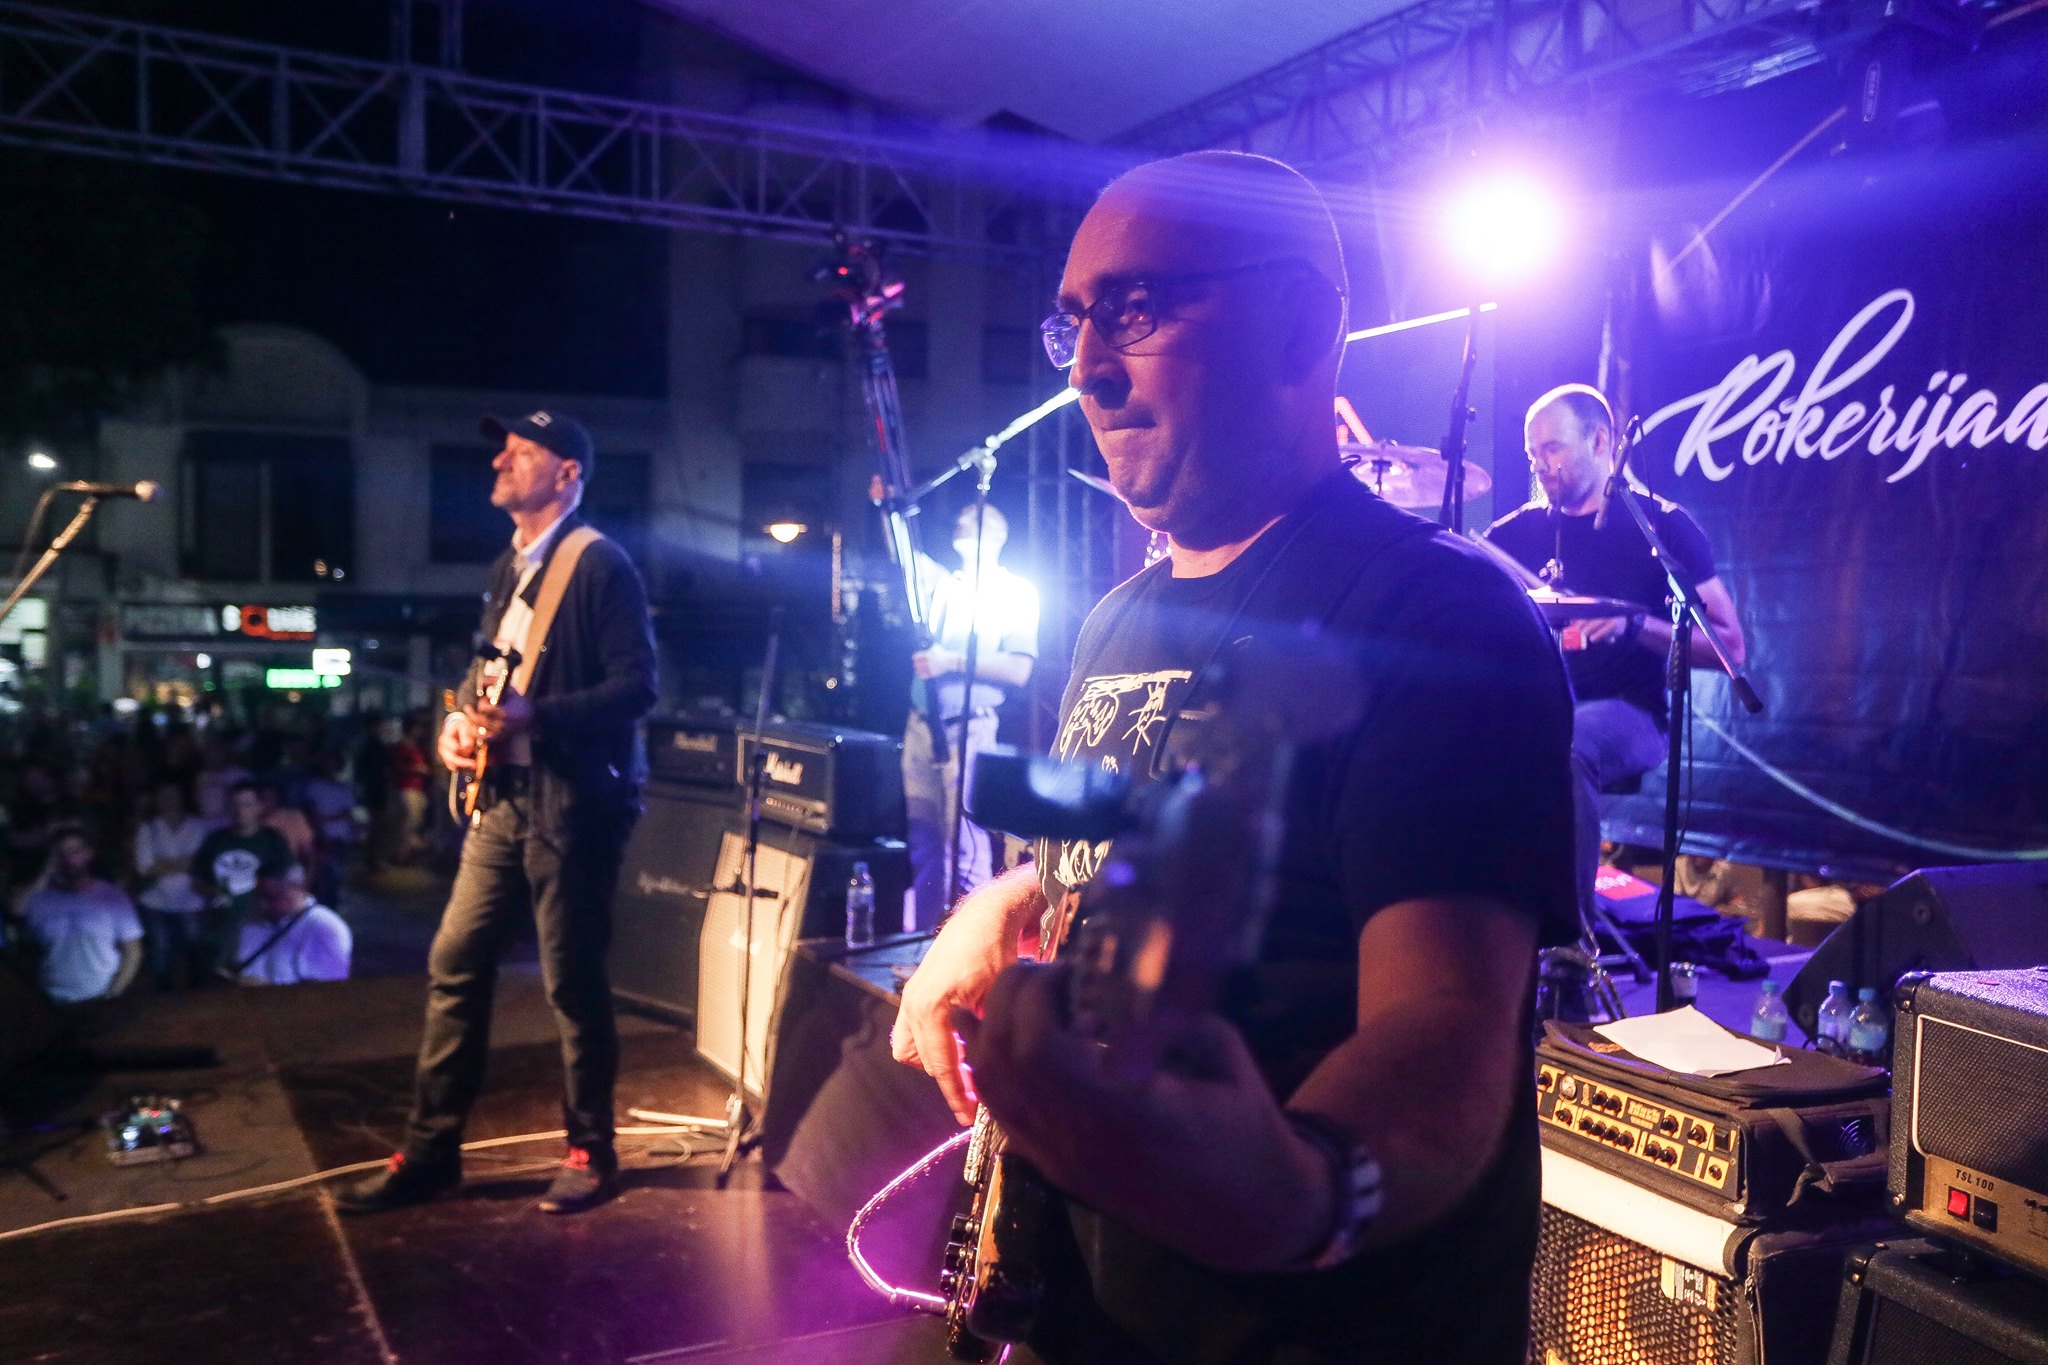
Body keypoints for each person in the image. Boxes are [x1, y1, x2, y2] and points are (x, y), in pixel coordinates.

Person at [891, 152, 1577, 1364]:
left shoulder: (1433, 616)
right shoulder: (1113, 620)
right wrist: (999, 901)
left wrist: (1297, 1195)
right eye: (1072, 321)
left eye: (1135, 309)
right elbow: (1112, 825)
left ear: (1299, 326)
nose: (1086, 367)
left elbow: (1444, 1032)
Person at [336, 408, 656, 1218]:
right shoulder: (508, 566)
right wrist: (458, 718)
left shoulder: (599, 564)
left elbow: (638, 686)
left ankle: (590, 1148)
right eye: (502, 452)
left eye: (522, 452)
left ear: (567, 474)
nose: (499, 463)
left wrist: (535, 717)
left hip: (570, 806)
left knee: (572, 980)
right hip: (503, 800)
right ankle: (431, 1151)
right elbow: (488, 671)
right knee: (455, 961)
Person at [1485, 384, 1746, 927]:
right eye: (1532, 454)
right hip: (1538, 708)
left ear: (1601, 441)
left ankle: (1571, 941)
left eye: (1553, 449)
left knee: (1567, 744)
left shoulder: (1662, 527)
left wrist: (1636, 627)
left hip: (1631, 712)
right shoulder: (1513, 535)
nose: (1540, 466)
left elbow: (1730, 646)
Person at [901, 502, 1040, 930]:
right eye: (960, 520)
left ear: (997, 536)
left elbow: (1019, 669)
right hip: (921, 726)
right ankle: (924, 945)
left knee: (966, 847)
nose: (962, 522)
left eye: (974, 521)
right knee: (926, 845)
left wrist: (950, 662)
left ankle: (965, 946)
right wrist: (888, 504)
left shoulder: (1016, 591)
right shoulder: (946, 584)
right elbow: (903, 551)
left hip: (970, 727)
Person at [21, 826, 144, 1003]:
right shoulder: (39, 897)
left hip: (100, 995)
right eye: (61, 852)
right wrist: (46, 873)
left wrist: (114, 991)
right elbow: (15, 909)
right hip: (51, 996)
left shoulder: (111, 895)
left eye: (75, 850)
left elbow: (133, 950)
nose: (69, 857)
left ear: (88, 854)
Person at [190, 781, 294, 979]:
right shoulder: (215, 840)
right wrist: (214, 893)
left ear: (260, 807)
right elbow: (198, 880)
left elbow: (282, 882)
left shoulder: (273, 840)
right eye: (235, 804)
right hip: (218, 927)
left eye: (247, 804)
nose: (240, 810)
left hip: (257, 928)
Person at [132, 778, 215, 989]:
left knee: (194, 950)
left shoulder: (199, 826)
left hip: (192, 900)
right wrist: (186, 863)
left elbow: (204, 861)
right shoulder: (148, 828)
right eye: (163, 795)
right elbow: (144, 867)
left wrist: (163, 863)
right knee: (161, 949)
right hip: (155, 901)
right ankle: (163, 994)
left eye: (173, 795)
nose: (168, 800)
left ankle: (197, 994)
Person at [231, 861, 352, 986]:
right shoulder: (251, 922)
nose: (263, 904)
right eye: (258, 896)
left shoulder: (325, 927)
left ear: (298, 887)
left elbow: (331, 990)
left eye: (272, 896)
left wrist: (265, 989)